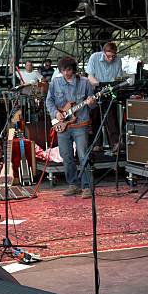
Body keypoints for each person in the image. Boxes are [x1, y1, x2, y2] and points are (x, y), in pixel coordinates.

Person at [46, 56, 96, 198]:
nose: (66, 73)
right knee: (66, 155)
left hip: (81, 124)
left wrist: (91, 102)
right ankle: (73, 184)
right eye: (63, 70)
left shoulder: (85, 82)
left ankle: (86, 186)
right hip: (64, 126)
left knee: (82, 154)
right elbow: (49, 101)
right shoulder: (55, 82)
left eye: (68, 70)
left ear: (73, 69)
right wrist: (56, 113)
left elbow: (93, 106)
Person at [87, 42, 124, 151]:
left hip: (110, 91)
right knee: (95, 117)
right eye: (108, 56)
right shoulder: (94, 57)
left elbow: (118, 78)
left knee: (111, 117)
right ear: (103, 53)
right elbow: (90, 76)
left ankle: (115, 143)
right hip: (95, 90)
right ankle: (97, 144)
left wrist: (113, 86)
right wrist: (100, 85)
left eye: (113, 56)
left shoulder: (118, 60)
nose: (111, 58)